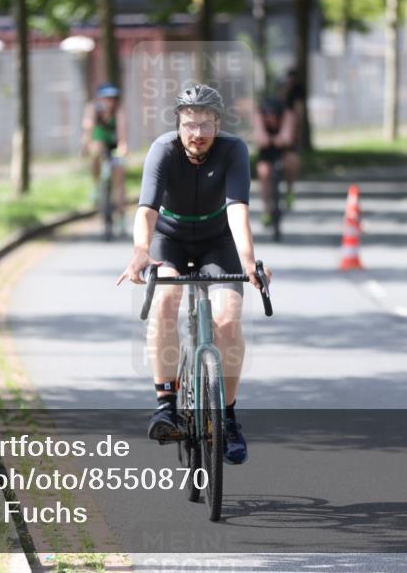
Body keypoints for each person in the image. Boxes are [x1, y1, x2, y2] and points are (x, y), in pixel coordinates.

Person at [117, 84, 270, 465]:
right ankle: (165, 404)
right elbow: (147, 210)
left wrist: (249, 262)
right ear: (178, 124)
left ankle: (229, 418)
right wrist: (139, 251)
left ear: (218, 123)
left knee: (229, 320)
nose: (197, 133)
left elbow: (237, 211)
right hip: (170, 239)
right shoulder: (163, 150)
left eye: (205, 124)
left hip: (218, 242)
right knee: (166, 300)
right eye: (189, 125)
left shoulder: (233, 149)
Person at [81, 83, 128, 224]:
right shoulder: (92, 108)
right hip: (99, 142)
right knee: (96, 150)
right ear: (100, 99)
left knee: (119, 179)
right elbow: (88, 130)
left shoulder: (119, 111)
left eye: (114, 99)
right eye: (107, 98)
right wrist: (85, 146)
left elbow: (122, 132)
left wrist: (123, 147)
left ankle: (121, 216)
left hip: (114, 144)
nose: (111, 102)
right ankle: (96, 186)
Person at [254, 96, 298, 225]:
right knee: (263, 171)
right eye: (268, 116)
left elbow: (287, 137)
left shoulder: (287, 114)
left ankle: (289, 191)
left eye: (274, 115)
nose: (271, 119)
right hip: (266, 150)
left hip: (285, 149)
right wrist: (264, 138)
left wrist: (281, 138)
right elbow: (260, 137)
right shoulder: (259, 115)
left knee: (292, 161)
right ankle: (266, 209)